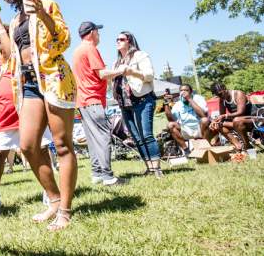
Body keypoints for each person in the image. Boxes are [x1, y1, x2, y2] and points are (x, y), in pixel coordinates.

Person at [0, 0, 77, 231]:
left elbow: (63, 40)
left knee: (62, 145)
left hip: (53, 79)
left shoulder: (46, 4)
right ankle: (54, 199)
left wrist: (41, 13)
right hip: (28, 84)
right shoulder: (15, 20)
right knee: (27, 145)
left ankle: (65, 210)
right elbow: (11, 55)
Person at [0, 27, 52, 213]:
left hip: (30, 111)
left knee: (41, 150)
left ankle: (49, 191)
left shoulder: (25, 56)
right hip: (4, 117)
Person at [72, 22, 126, 186]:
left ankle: (97, 173)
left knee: (92, 138)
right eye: (98, 32)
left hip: (82, 101)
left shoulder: (77, 51)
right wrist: (122, 69)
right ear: (92, 32)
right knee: (103, 136)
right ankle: (108, 176)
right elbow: (102, 74)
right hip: (93, 99)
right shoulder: (90, 48)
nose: (99, 35)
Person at [112, 32, 162, 177]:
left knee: (146, 135)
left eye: (121, 39)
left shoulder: (140, 55)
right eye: (117, 39)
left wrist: (132, 72)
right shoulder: (117, 62)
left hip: (142, 99)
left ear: (129, 41)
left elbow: (149, 75)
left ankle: (156, 168)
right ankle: (149, 168)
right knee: (136, 138)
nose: (118, 41)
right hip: (124, 103)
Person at [163, 84, 209, 155]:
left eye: (186, 90)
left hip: (200, 128)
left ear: (191, 92)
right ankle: (186, 150)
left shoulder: (198, 98)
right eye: (181, 90)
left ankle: (204, 147)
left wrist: (189, 99)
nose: (183, 92)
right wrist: (166, 103)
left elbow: (203, 115)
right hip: (186, 130)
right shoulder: (178, 103)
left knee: (205, 120)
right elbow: (171, 119)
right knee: (170, 125)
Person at [209, 83, 254, 150]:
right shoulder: (222, 99)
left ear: (224, 88)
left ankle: (247, 145)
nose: (220, 96)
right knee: (218, 125)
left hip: (251, 120)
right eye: (217, 95)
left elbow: (240, 112)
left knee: (237, 120)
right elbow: (222, 116)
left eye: (220, 94)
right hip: (237, 122)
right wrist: (215, 121)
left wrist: (225, 116)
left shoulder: (238, 94)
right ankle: (238, 146)